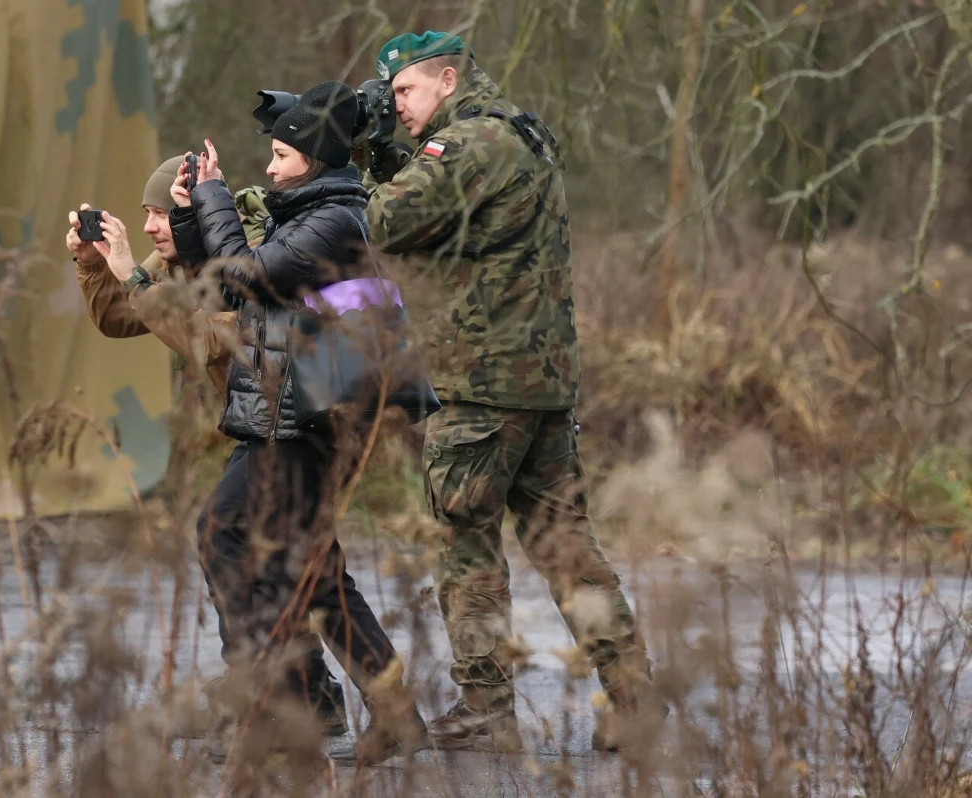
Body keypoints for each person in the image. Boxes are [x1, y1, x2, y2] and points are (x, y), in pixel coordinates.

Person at [360, 31, 666, 754]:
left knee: (466, 539)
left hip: (485, 382)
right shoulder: (517, 133)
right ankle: (634, 699)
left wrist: (350, 161)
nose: (397, 105)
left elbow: (381, 222)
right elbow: (437, 225)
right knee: (565, 545)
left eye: (404, 91)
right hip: (541, 379)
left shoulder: (467, 145)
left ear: (447, 77)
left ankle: (485, 705)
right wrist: (382, 151)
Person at [166, 81, 428, 767]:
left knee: (238, 539)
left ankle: (280, 706)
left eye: (282, 155)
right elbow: (220, 286)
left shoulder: (335, 219)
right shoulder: (304, 211)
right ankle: (368, 708)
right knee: (308, 569)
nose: (272, 168)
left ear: (313, 157)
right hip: (284, 412)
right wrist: (194, 216)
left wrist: (215, 198)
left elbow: (245, 278)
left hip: (304, 417)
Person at [65, 157, 351, 737]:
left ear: (194, 214)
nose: (149, 229)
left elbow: (210, 343)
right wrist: (94, 265)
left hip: (301, 423)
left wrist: (132, 274)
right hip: (264, 424)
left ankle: (274, 689)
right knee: (277, 559)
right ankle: (302, 694)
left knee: (238, 539)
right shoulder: (174, 258)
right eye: (145, 216)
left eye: (161, 216)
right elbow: (121, 317)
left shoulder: (241, 257)